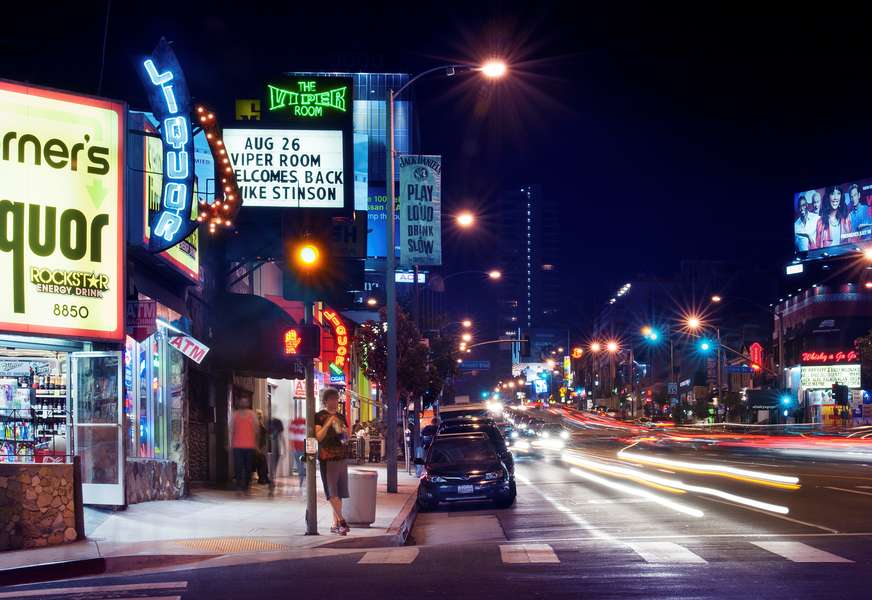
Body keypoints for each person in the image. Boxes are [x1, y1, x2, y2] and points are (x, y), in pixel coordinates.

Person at [315, 388, 350, 535]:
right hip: (327, 457)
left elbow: (345, 439)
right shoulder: (319, 416)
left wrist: (345, 432)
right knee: (331, 492)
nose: (334, 402)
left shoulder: (341, 417)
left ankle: (335, 524)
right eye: (331, 399)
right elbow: (319, 437)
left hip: (341, 457)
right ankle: (342, 521)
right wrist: (329, 423)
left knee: (339, 493)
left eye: (336, 399)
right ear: (325, 401)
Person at [229, 397, 257, 495]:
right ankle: (239, 486)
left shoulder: (252, 415)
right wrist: (230, 443)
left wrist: (256, 443)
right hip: (237, 445)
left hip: (249, 446)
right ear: (239, 403)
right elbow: (231, 430)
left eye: (246, 402)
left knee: (248, 467)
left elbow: (256, 429)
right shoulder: (235, 415)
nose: (244, 403)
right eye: (242, 401)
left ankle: (246, 486)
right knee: (238, 467)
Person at [288, 414, 307, 487]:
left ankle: (301, 478)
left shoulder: (293, 422)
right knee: (302, 463)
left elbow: (290, 435)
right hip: (303, 446)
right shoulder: (305, 422)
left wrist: (291, 446)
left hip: (296, 447)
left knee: (299, 464)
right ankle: (302, 478)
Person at [267, 417, 284, 496]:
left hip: (270, 449)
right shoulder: (278, 432)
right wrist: (285, 449)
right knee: (273, 467)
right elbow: (282, 439)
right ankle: (272, 479)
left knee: (271, 466)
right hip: (276, 450)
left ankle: (271, 480)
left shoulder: (269, 432)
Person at [254, 409, 269, 485]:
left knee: (262, 460)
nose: (260, 416)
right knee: (261, 459)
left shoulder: (261, 424)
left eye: (260, 414)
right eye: (258, 414)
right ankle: (263, 477)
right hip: (256, 447)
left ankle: (264, 477)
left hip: (260, 446)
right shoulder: (255, 425)